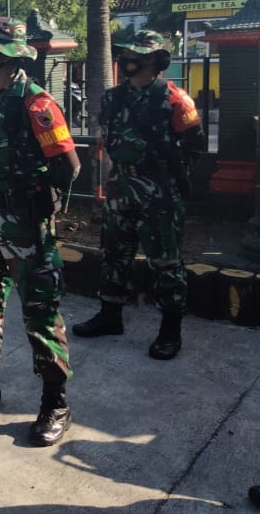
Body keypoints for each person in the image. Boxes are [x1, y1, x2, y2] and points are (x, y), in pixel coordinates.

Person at [0, 17, 81, 447]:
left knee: (40, 315)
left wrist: (47, 204)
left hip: (27, 224)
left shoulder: (37, 102)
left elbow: (69, 166)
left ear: (8, 56)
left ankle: (55, 404)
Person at [72, 30, 207, 360]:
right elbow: (110, 137)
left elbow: (195, 146)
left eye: (136, 55)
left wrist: (167, 176)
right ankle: (110, 316)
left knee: (165, 260)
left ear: (154, 60)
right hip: (122, 188)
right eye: (126, 54)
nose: (127, 60)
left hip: (159, 193)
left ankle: (170, 330)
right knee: (114, 254)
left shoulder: (174, 99)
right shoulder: (111, 98)